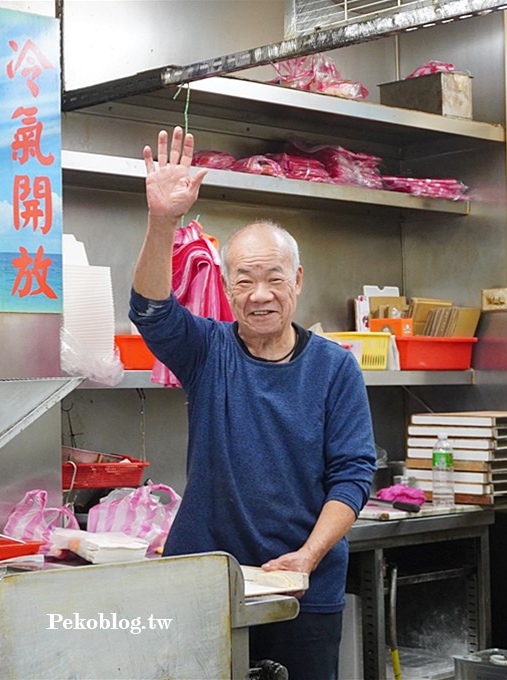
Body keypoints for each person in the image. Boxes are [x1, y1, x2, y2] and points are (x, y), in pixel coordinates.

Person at [129, 127, 376, 680]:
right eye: (244, 280)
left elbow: (354, 475)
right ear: (226, 283)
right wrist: (163, 220)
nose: (260, 294)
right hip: (204, 581)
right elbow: (150, 311)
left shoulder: (335, 367)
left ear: (298, 280)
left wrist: (307, 558)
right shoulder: (206, 351)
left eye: (274, 279)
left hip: (301, 586)